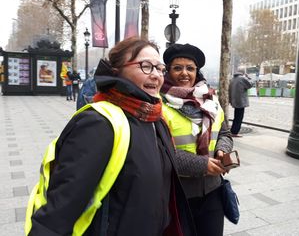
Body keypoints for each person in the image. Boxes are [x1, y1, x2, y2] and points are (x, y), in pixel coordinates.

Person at [26, 37, 196, 236]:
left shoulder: (156, 119)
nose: (156, 75)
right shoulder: (99, 123)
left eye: (160, 68)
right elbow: (60, 209)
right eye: (146, 66)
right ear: (117, 70)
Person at [161, 43, 234, 236]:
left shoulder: (211, 99)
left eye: (190, 68)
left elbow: (224, 133)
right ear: (168, 71)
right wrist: (201, 165)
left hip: (212, 191)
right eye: (177, 68)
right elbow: (159, 151)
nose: (184, 73)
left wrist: (222, 150)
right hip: (176, 195)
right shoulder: (158, 104)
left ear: (197, 72)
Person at [229, 70, 253, 137]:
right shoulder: (242, 78)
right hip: (241, 101)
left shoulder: (232, 79)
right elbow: (250, 85)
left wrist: (230, 100)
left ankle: (233, 131)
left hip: (234, 100)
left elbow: (229, 90)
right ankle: (234, 132)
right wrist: (248, 77)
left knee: (236, 117)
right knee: (239, 117)